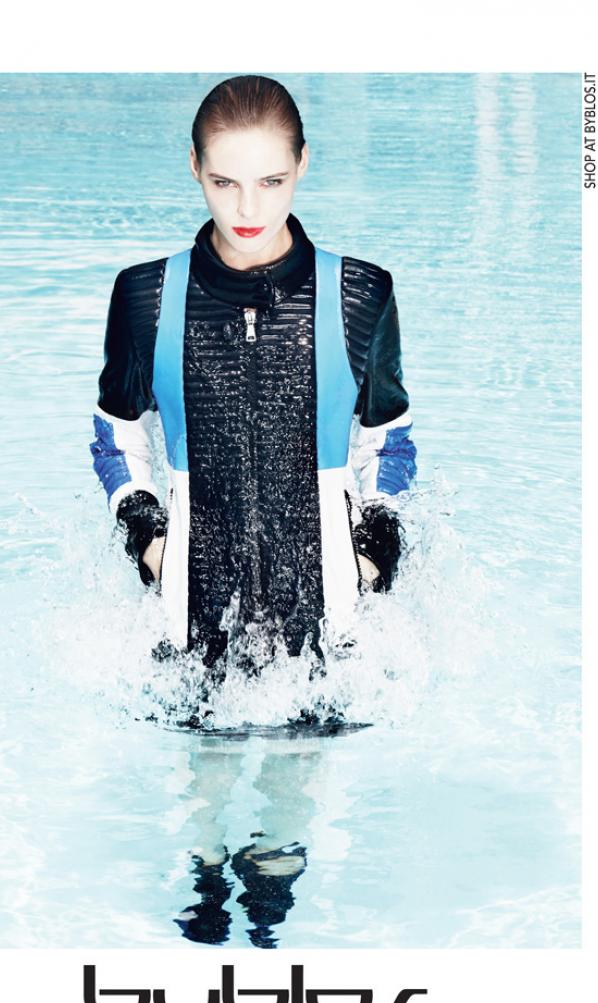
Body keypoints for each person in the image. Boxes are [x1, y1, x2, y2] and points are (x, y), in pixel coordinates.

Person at [90, 75, 416, 676]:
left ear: (302, 164)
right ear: (194, 166)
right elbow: (116, 432)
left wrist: (374, 551)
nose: (247, 209)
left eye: (271, 181)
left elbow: (387, 438)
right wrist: (149, 538)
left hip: (331, 642)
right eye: (224, 182)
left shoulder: (359, 293)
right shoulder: (146, 296)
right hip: (188, 637)